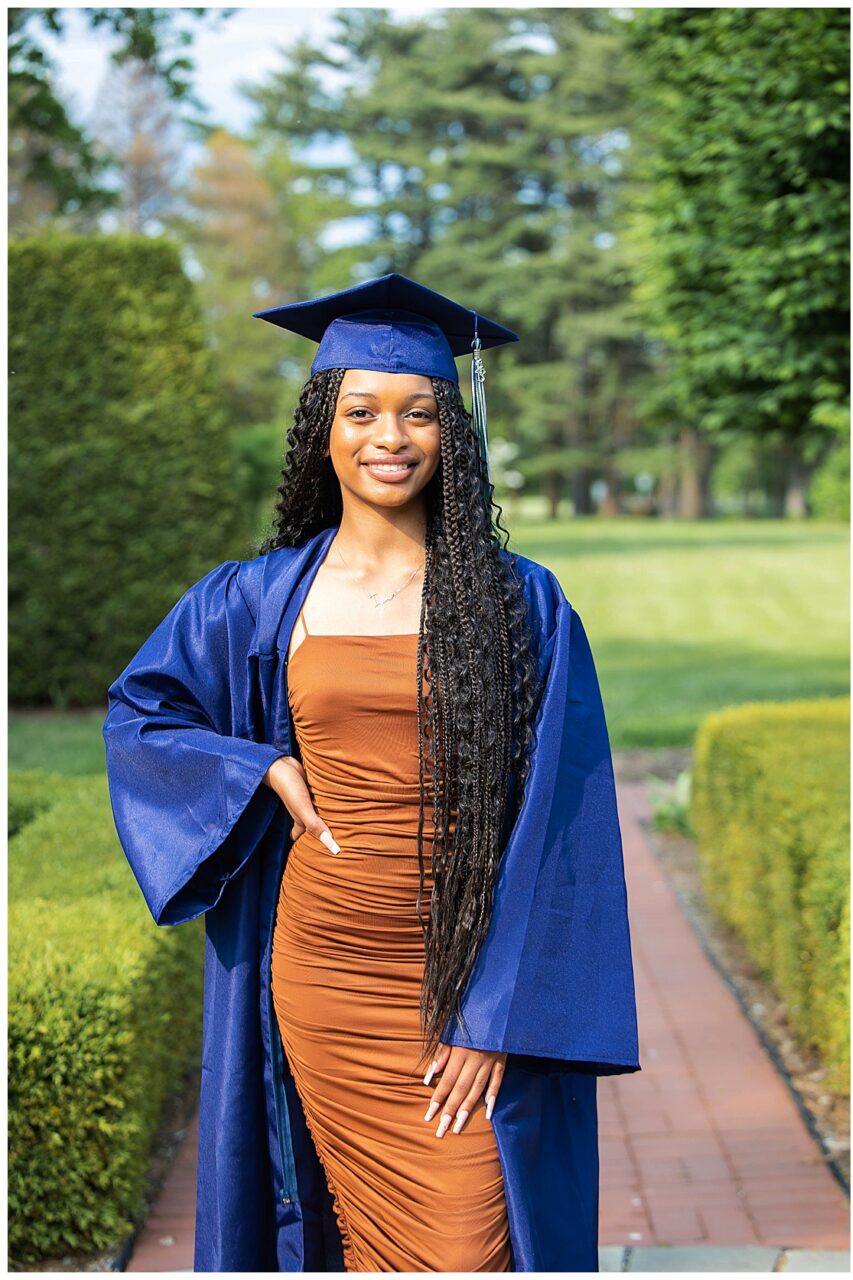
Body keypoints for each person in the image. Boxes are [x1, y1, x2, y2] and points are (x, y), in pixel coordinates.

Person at [105, 273, 640, 1271]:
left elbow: (560, 825)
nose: (387, 434)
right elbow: (143, 714)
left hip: (462, 984)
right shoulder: (258, 597)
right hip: (323, 975)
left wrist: (493, 1016)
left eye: (418, 411)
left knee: (471, 1238)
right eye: (360, 410)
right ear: (323, 428)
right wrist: (257, 762)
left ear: (453, 435)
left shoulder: (520, 605)